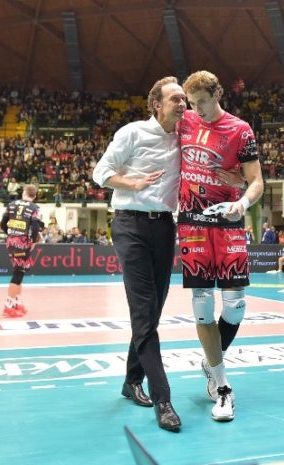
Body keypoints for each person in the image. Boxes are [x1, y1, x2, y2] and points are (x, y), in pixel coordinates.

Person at [92, 76, 186, 433]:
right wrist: (132, 182)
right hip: (130, 224)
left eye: (184, 99)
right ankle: (163, 400)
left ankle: (131, 380)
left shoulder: (184, 136)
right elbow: (100, 173)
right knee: (145, 310)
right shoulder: (131, 132)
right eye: (175, 99)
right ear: (157, 104)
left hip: (164, 227)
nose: (182, 104)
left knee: (153, 310)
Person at [178, 70, 264, 422]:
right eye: (192, 103)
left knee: (236, 306)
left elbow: (256, 181)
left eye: (201, 101)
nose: (196, 109)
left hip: (228, 221)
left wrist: (242, 201)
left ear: (217, 94)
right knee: (202, 305)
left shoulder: (240, 130)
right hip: (192, 223)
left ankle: (211, 360)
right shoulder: (184, 121)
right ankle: (223, 384)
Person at [0, 184, 41, 318]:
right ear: (34, 196)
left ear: (24, 193)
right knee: (18, 272)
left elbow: (3, 223)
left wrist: (11, 235)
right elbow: (35, 227)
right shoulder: (34, 208)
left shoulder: (11, 204)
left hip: (12, 241)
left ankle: (17, 303)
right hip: (23, 242)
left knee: (20, 271)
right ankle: (8, 306)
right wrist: (33, 241)